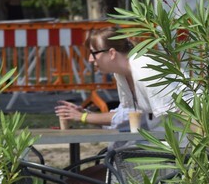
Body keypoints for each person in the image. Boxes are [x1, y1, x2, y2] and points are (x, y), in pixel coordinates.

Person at [54, 26, 182, 132]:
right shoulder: (122, 74)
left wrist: (83, 117)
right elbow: (127, 115)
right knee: (114, 151)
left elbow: (182, 112)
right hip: (161, 141)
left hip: (180, 145)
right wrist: (84, 114)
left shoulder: (145, 68)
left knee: (116, 152)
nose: (90, 59)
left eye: (94, 53)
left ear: (112, 53)